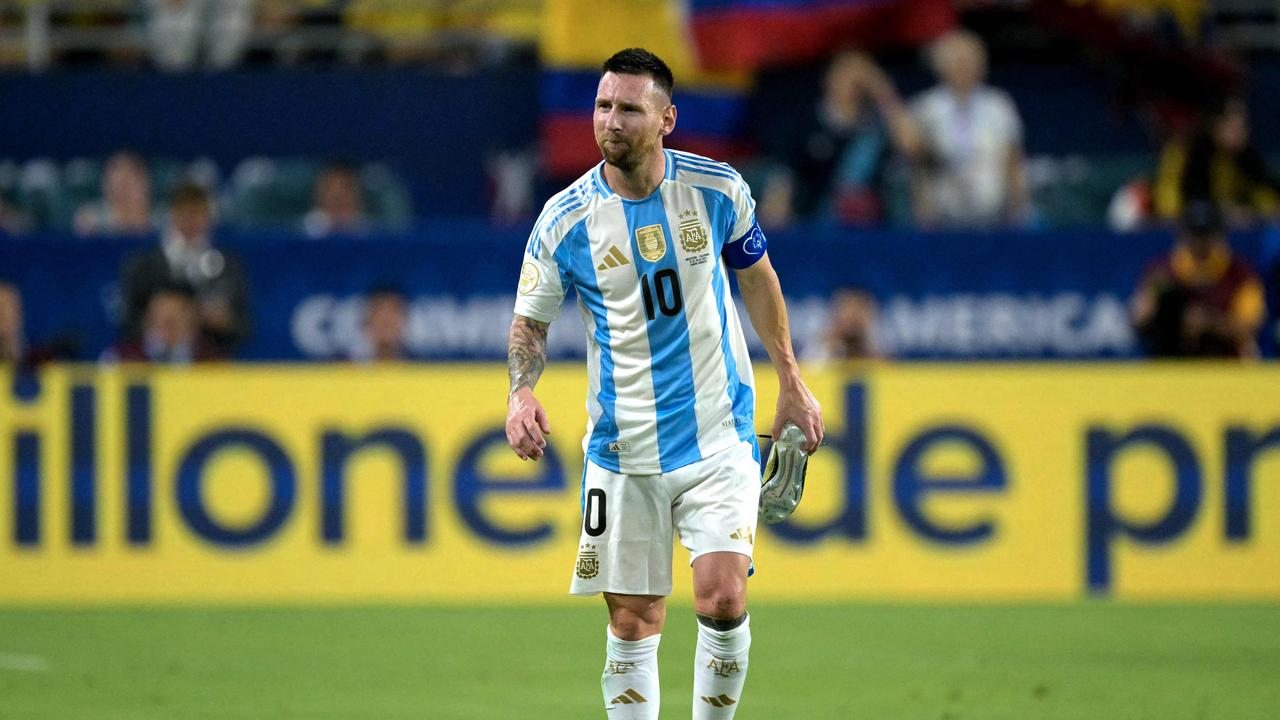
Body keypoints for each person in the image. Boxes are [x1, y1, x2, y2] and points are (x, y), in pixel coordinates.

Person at [504, 48, 823, 719]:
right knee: (632, 623)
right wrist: (520, 392)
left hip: (718, 434)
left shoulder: (716, 190)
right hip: (623, 450)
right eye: (601, 106)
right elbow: (529, 327)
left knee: (723, 597)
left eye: (627, 108)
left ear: (666, 118)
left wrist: (791, 379)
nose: (609, 121)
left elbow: (757, 279)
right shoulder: (564, 220)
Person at [762, 50, 921, 227]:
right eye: (846, 72)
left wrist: (883, 91)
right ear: (829, 78)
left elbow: (912, 148)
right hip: (818, 228)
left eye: (860, 74)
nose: (852, 80)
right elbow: (782, 184)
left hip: (876, 229)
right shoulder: (806, 123)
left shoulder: (878, 126)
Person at [908, 30, 1029, 229]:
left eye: (968, 61)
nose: (962, 68)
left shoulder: (999, 105)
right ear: (941, 67)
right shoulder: (925, 108)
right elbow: (916, 165)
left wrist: (1018, 212)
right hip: (941, 218)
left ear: (981, 66)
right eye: (956, 62)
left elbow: (1014, 163)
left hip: (993, 218)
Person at [119, 183, 250, 357]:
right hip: (151, 360)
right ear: (172, 214)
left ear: (208, 217)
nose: (191, 220)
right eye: (184, 212)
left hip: (207, 363)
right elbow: (127, 321)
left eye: (197, 213)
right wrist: (157, 321)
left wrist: (222, 321)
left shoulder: (227, 265)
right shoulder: (144, 264)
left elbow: (244, 326)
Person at [1131, 201, 1266, 359]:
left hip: (1224, 365)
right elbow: (1139, 318)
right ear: (1182, 234)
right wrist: (1150, 311)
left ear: (1220, 234)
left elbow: (1249, 328)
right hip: (1172, 363)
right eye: (1195, 234)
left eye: (1206, 234)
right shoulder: (1162, 272)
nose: (1200, 243)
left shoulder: (1241, 275)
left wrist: (1209, 323)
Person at [1153, 97, 1280, 228]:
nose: (1243, 132)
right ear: (1216, 125)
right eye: (1236, 126)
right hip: (1185, 226)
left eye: (1245, 125)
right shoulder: (1190, 151)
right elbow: (1173, 204)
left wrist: (1265, 210)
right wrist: (1224, 213)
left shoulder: (1245, 155)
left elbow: (1263, 190)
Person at [102, 282, 217, 363]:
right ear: (147, 318)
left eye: (177, 314)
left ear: (193, 319)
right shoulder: (121, 358)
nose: (168, 322)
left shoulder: (212, 362)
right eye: (161, 314)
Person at [73, 151, 155, 237]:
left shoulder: (162, 218)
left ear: (146, 184)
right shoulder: (91, 219)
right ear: (106, 186)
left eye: (132, 180)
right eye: (121, 184)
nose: (126, 192)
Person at [346, 285, 411, 362]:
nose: (386, 321)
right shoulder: (341, 366)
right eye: (379, 312)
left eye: (394, 311)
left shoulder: (421, 365)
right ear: (366, 320)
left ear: (405, 320)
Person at [303, 163, 368, 238]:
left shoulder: (369, 232)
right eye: (330, 187)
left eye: (345, 187)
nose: (337, 195)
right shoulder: (306, 232)